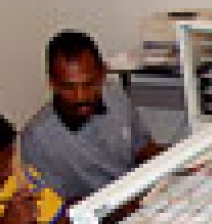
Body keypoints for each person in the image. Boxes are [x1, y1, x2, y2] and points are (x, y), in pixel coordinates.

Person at [22, 30, 165, 204]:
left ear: (102, 73)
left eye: (89, 84)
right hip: (98, 214)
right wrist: (120, 207)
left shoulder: (114, 94)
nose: (81, 97)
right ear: (52, 83)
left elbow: (143, 147)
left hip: (139, 196)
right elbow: (58, 210)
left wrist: (179, 164)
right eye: (68, 87)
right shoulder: (37, 139)